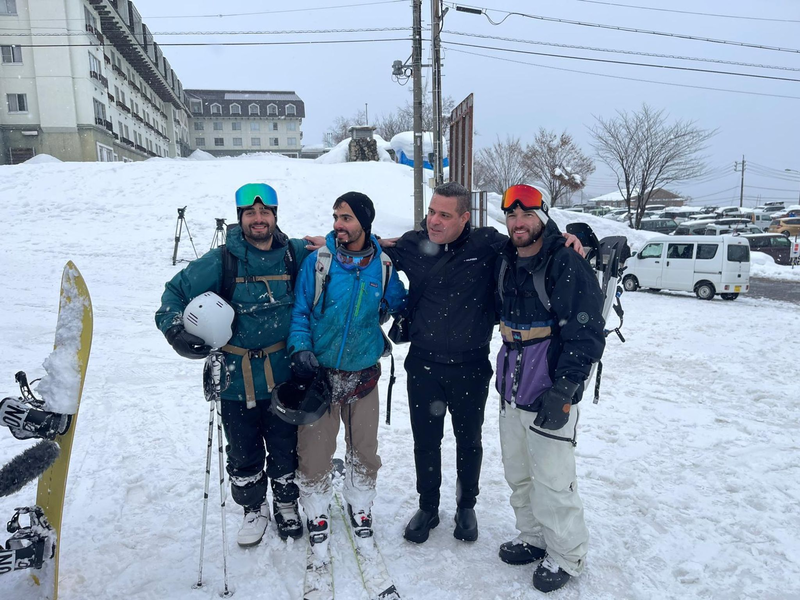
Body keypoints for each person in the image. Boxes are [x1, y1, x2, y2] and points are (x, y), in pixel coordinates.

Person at [379, 181, 583, 545]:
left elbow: (531, 238)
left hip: (470, 366)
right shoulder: (414, 245)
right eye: (431, 212)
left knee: (468, 441)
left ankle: (465, 506)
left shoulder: (488, 245)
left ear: (465, 217)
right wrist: (329, 243)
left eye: (444, 215)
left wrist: (567, 237)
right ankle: (428, 506)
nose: (434, 222)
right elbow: (372, 249)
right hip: (423, 364)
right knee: (426, 441)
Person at [155, 183, 310, 547]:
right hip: (235, 377)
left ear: (275, 216)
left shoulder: (293, 254)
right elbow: (173, 294)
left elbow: (337, 251)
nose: (258, 219)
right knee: (243, 449)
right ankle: (253, 507)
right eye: (250, 214)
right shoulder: (222, 260)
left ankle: (287, 502)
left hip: (282, 374)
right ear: (240, 219)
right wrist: (175, 330)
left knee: (286, 444)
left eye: (265, 212)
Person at [494, 184, 605, 593]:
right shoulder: (505, 259)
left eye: (526, 215)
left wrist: (565, 389)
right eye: (511, 216)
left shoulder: (565, 263)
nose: (518, 223)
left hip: (550, 390)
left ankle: (566, 554)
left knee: (554, 479)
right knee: (518, 473)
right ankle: (533, 536)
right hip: (510, 389)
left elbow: (587, 334)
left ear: (543, 216)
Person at [287, 192, 407, 556]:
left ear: (364, 223)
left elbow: (399, 303)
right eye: (336, 217)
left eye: (347, 218)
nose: (338, 225)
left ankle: (360, 504)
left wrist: (403, 321)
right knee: (313, 453)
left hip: (364, 375)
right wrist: (300, 347)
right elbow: (301, 311)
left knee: (365, 452)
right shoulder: (319, 262)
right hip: (321, 375)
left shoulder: (383, 267)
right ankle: (318, 511)